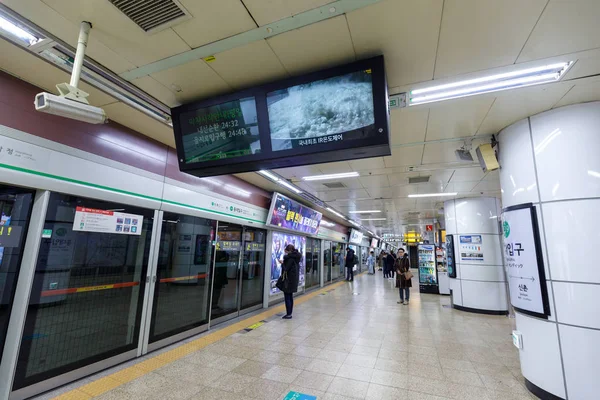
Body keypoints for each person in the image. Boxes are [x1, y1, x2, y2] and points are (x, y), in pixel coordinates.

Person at [278, 244, 301, 319]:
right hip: (293, 280)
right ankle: (290, 313)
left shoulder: (290, 258)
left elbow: (285, 269)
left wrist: (282, 263)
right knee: (290, 296)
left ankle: (288, 314)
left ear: (288, 250)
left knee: (287, 297)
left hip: (288, 280)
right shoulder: (296, 257)